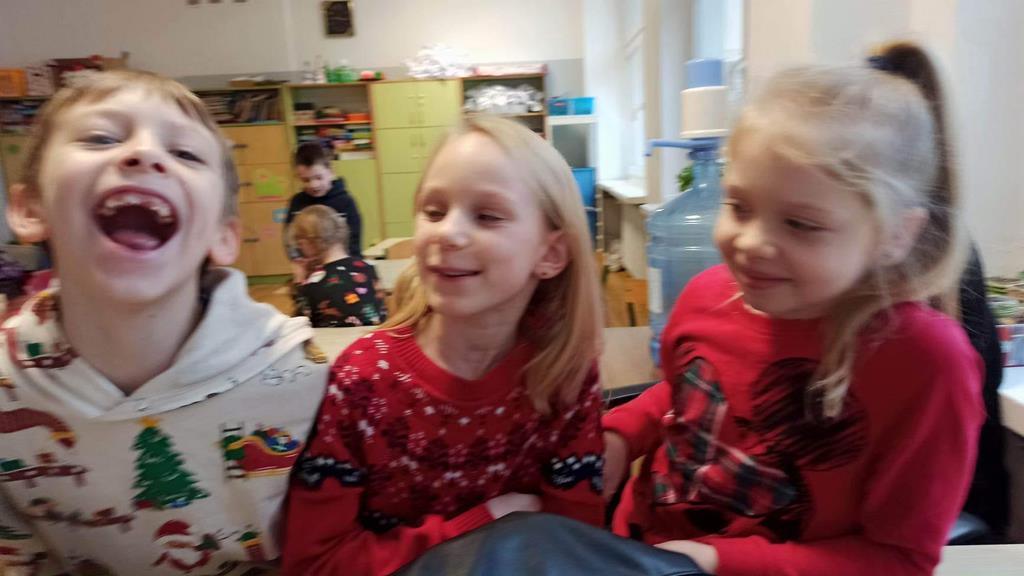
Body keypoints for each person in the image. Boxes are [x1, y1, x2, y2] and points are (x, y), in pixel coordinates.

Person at [602, 42, 984, 575]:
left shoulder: (924, 363)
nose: (751, 243)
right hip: (635, 553)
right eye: (739, 206)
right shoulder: (708, 294)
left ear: (895, 235)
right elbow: (683, 393)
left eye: (801, 224)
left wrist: (714, 559)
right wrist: (621, 433)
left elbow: (898, 559)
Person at [0, 70, 328, 575]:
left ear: (224, 236)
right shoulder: (7, 383)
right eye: (100, 137)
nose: (144, 154)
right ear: (29, 208)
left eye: (186, 153)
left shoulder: (302, 377)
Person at [283, 116, 606, 576]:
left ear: (550, 254)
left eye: (487, 215)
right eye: (433, 212)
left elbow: (574, 550)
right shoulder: (361, 382)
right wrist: (480, 528)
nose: (446, 233)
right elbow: (313, 564)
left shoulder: (565, 377)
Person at [289, 205, 385, 327]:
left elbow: (300, 323)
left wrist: (299, 282)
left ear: (310, 242)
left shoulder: (313, 282)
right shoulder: (368, 268)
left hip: (332, 339)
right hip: (373, 337)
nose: (300, 248)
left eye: (300, 243)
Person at [285, 142, 362, 259]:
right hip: (307, 266)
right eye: (306, 180)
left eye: (319, 177)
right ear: (298, 177)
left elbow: (354, 243)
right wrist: (297, 261)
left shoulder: (346, 202)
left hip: (340, 264)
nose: (313, 185)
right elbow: (290, 239)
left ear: (331, 172)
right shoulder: (297, 202)